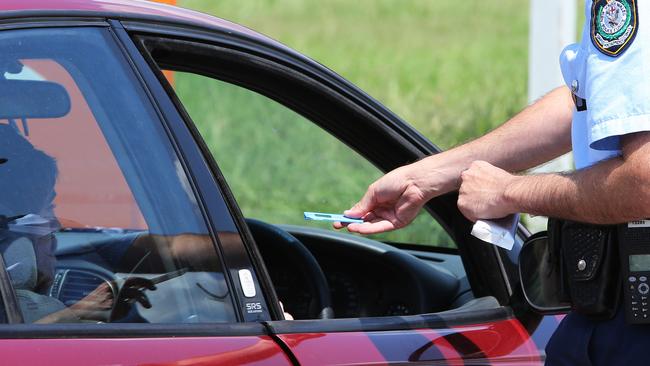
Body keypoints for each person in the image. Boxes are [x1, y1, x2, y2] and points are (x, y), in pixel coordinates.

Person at [336, 0, 649, 364]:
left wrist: (507, 192)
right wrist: (427, 176)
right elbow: (593, 102)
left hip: (629, 326)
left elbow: (642, 183)